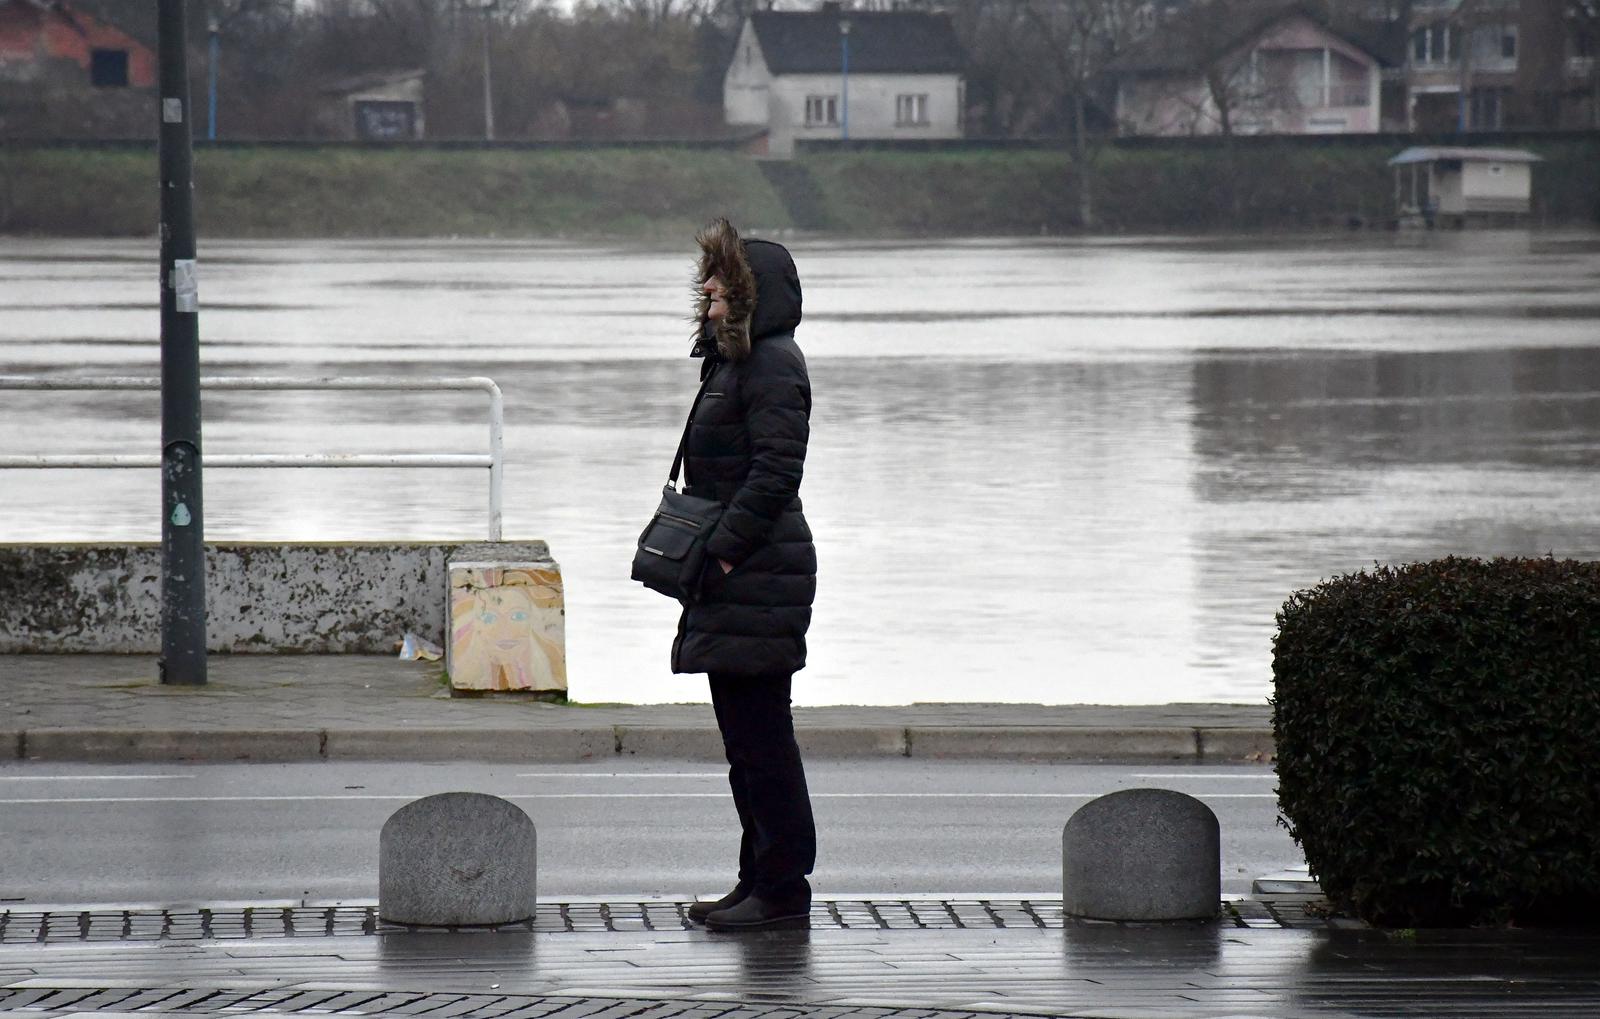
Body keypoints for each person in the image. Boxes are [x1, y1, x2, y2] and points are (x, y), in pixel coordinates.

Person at [673, 218, 817, 932]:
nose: (706, 290)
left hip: (761, 573)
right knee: (744, 743)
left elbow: (774, 473)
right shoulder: (735, 361)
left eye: (720, 281)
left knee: (763, 740)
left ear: (750, 293)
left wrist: (722, 551)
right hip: (738, 574)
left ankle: (784, 889)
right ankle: (755, 878)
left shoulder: (773, 364)